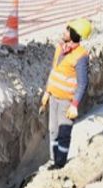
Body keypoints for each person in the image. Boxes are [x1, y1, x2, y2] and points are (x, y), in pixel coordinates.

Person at [39, 19, 92, 170]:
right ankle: (52, 159)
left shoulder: (81, 56)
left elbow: (83, 83)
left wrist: (74, 105)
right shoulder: (60, 48)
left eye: (68, 30)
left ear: (75, 34)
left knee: (63, 133)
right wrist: (47, 92)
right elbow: (54, 71)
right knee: (53, 130)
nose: (64, 32)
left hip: (66, 102)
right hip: (54, 97)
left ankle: (60, 164)